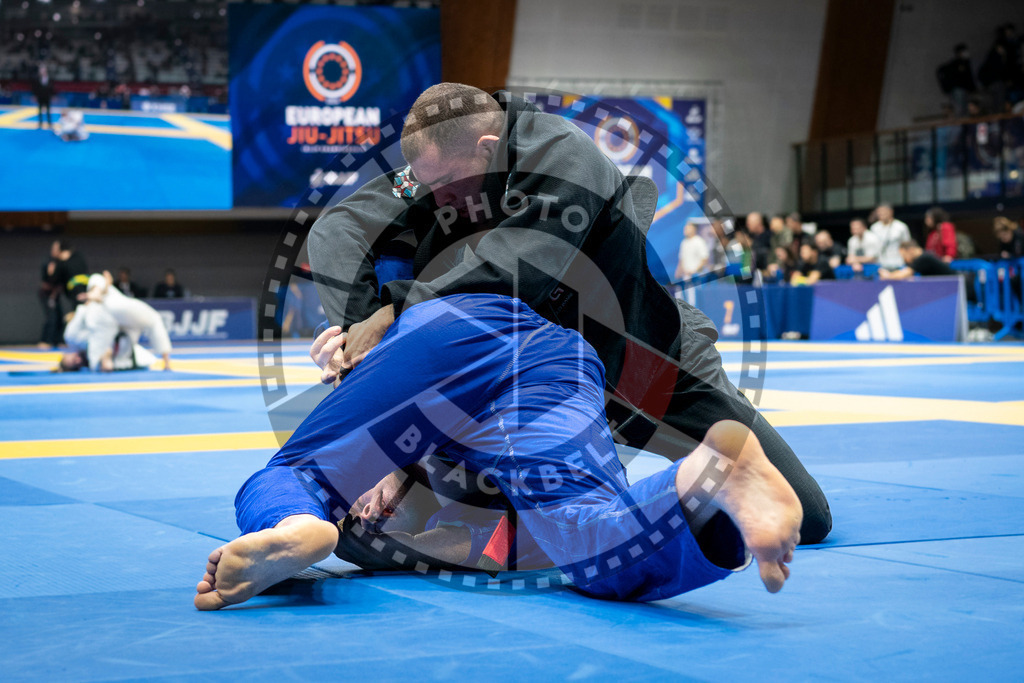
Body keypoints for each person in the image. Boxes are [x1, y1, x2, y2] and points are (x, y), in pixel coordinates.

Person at [306, 83, 831, 544]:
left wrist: (397, 310)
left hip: (645, 359)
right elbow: (338, 229)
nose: (437, 197)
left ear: (488, 150)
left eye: (446, 183)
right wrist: (360, 339)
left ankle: (689, 480)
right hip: (541, 385)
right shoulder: (443, 164)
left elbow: (517, 272)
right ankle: (425, 486)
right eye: (427, 185)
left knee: (803, 514)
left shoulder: (561, 153)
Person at [194, 294, 802, 610]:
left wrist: (355, 349)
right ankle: (712, 475)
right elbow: (529, 546)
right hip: (551, 357)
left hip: (450, 335)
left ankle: (292, 519)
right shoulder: (488, 515)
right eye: (370, 524)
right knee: (592, 539)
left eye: (357, 514)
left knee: (294, 473)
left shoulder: (394, 421)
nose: (369, 512)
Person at [83, 272, 172, 370]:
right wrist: (95, 294)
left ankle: (102, 362)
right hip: (116, 307)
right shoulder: (98, 280)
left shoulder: (101, 297)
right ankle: (166, 361)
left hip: (111, 317)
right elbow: (97, 288)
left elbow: (98, 291)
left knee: (126, 335)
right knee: (154, 318)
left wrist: (99, 290)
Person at [937, 44, 977, 118]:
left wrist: (972, 89)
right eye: (964, 51)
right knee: (960, 109)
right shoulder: (955, 64)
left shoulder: (966, 63)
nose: (966, 53)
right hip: (958, 90)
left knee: (966, 109)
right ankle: (960, 125)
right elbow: (942, 71)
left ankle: (964, 125)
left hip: (964, 90)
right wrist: (947, 88)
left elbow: (968, 78)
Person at [869, 203, 911, 270]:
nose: (882, 214)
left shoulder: (901, 227)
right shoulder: (874, 228)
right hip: (880, 264)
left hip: (898, 263)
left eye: (884, 211)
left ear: (891, 212)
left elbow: (907, 245)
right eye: (879, 212)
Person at [32, 64, 53, 130]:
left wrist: (52, 95)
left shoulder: (49, 78)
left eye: (44, 70)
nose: (42, 71)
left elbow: (52, 88)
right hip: (40, 97)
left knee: (48, 110)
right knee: (40, 110)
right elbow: (35, 88)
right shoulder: (37, 78)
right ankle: (40, 123)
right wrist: (35, 96)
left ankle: (49, 124)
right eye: (41, 70)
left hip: (47, 97)